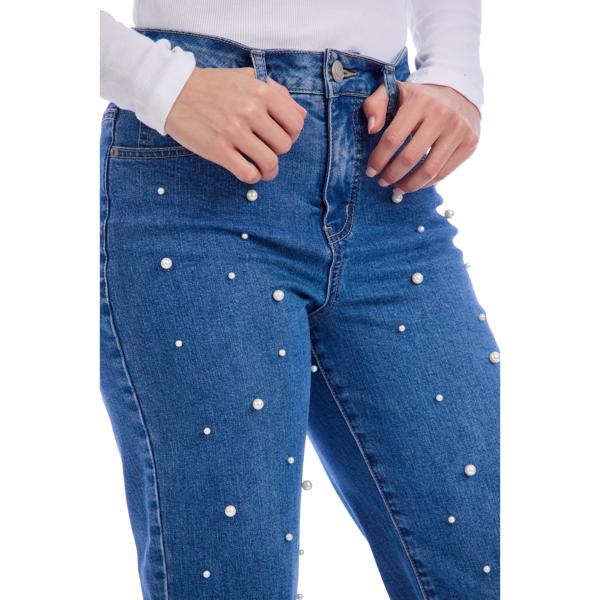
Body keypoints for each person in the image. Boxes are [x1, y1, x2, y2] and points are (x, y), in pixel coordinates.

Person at [99, 3, 499, 599]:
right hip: (196, 172)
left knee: (488, 548)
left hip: (386, 165)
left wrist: (455, 73)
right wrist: (156, 80)